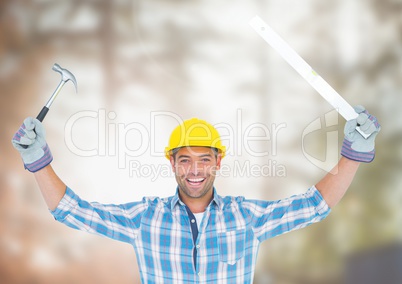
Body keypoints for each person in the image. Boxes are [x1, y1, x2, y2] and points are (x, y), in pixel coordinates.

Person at [12, 106, 380, 283]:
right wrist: (37, 160)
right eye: (185, 159)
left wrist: (353, 155)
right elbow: (71, 211)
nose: (195, 170)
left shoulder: (245, 217)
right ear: (171, 163)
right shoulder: (146, 218)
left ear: (218, 162)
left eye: (204, 159)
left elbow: (314, 207)